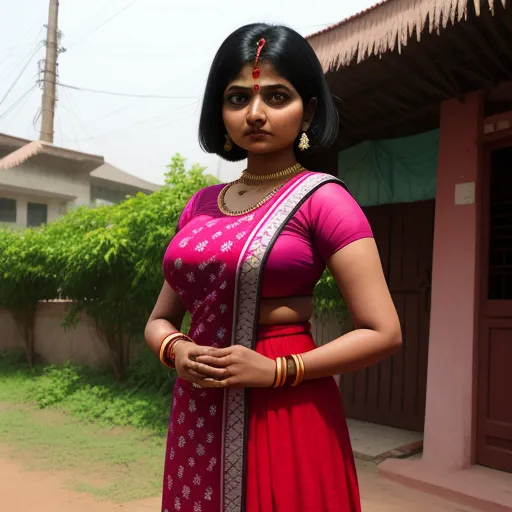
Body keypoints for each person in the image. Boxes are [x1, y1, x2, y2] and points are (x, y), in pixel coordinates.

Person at [145, 23, 402, 512]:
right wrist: (176, 351)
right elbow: (160, 319)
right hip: (199, 406)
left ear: (307, 109)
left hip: (286, 401)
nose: (256, 114)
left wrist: (278, 370)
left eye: (277, 97)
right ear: (219, 112)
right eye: (238, 98)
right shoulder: (199, 205)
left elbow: (383, 331)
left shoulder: (324, 200)